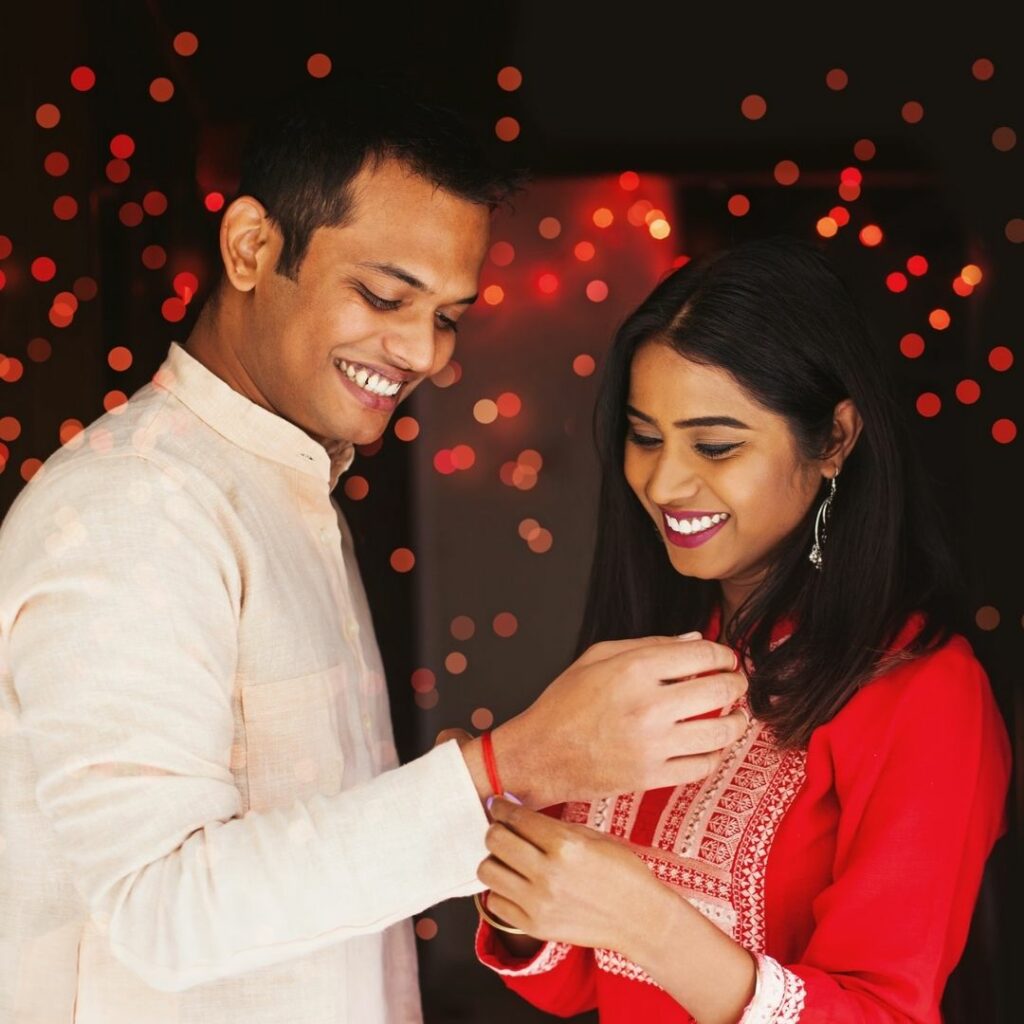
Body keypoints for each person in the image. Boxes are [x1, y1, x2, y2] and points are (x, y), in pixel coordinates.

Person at [0, 83, 751, 1024]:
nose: (424, 353)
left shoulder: (289, 482)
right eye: (385, 295)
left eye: (448, 314)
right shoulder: (135, 509)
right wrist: (506, 765)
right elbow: (160, 910)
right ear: (249, 247)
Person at [473, 237, 1011, 1023]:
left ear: (834, 439)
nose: (663, 481)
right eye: (645, 436)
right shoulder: (660, 652)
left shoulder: (924, 691)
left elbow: (886, 1013)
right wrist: (510, 862)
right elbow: (571, 983)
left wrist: (649, 923)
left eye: (716, 445)